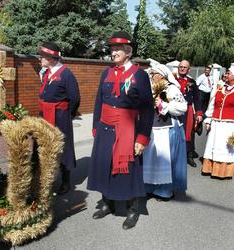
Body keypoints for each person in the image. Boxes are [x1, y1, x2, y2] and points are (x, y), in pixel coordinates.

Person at [87, 31, 154, 230]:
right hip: (105, 128)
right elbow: (99, 100)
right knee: (105, 166)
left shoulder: (139, 74)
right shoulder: (106, 72)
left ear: (128, 51)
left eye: (117, 49)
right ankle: (107, 202)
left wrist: (142, 138)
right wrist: (95, 126)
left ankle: (133, 208)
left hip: (128, 129)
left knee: (130, 171)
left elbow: (147, 109)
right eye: (112, 49)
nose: (113, 52)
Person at [38, 41, 80, 195]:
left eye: (42, 56)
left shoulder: (66, 74)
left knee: (63, 148)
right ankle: (49, 178)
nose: (40, 58)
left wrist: (68, 115)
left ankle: (66, 181)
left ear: (51, 57)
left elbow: (75, 98)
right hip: (45, 115)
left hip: (60, 117)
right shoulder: (47, 73)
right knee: (46, 146)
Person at [143, 64, 187, 201]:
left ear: (161, 75)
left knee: (165, 160)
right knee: (152, 158)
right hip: (153, 127)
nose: (151, 76)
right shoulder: (151, 88)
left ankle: (164, 191)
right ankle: (149, 187)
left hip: (168, 128)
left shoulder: (172, 89)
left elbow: (182, 107)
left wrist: (163, 105)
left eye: (153, 73)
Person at [202, 65, 234, 178]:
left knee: (226, 148)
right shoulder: (220, 89)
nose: (226, 75)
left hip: (230, 125)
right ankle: (210, 169)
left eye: (228, 73)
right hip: (216, 123)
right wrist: (208, 120)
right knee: (213, 145)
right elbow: (212, 106)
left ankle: (224, 172)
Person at [175, 60, 203, 167]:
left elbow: (197, 98)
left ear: (188, 69)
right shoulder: (172, 80)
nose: (182, 68)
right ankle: (175, 154)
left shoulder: (192, 82)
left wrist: (199, 113)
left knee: (189, 132)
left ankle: (189, 155)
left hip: (188, 109)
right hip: (175, 110)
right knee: (175, 131)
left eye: (184, 67)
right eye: (180, 66)